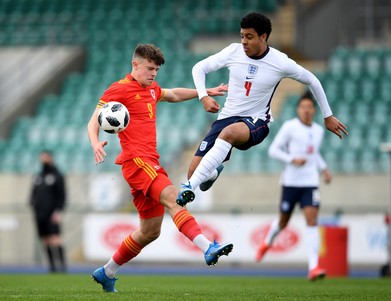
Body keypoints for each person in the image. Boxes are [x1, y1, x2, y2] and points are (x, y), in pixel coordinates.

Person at [87, 44, 233, 293]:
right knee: (175, 199)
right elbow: (94, 120)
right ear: (135, 65)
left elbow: (173, 94)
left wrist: (204, 91)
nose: (154, 73)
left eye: (156, 69)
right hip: (137, 161)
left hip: (147, 162)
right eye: (149, 68)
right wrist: (95, 143)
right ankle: (207, 246)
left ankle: (107, 271)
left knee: (150, 231)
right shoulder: (119, 90)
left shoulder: (152, 89)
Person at [175, 12, 347, 207]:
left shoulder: (280, 62)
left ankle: (188, 187)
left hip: (256, 121)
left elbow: (312, 80)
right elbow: (199, 68)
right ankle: (211, 172)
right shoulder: (233, 52)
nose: (244, 42)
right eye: (242, 36)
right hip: (226, 118)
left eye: (249, 37)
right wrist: (203, 96)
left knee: (226, 136)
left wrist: (328, 115)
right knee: (197, 173)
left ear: (263, 37)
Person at [255, 92, 332, 281]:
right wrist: (291, 159)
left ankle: (314, 267)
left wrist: (324, 169)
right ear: (298, 109)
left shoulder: (318, 131)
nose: (306, 110)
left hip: (310, 183)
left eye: (309, 107)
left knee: (312, 221)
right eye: (303, 107)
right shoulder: (290, 127)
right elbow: (273, 150)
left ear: (314, 110)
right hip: (290, 182)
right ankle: (267, 242)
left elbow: (313, 154)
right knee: (283, 222)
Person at [30, 150, 67, 273]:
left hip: (52, 213)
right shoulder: (38, 176)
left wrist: (58, 211)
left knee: (55, 239)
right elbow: (33, 194)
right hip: (39, 214)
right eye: (42, 157)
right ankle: (52, 267)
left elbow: (62, 195)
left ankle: (62, 266)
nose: (43, 159)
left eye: (46, 157)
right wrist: (32, 204)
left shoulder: (57, 175)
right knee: (45, 240)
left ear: (50, 158)